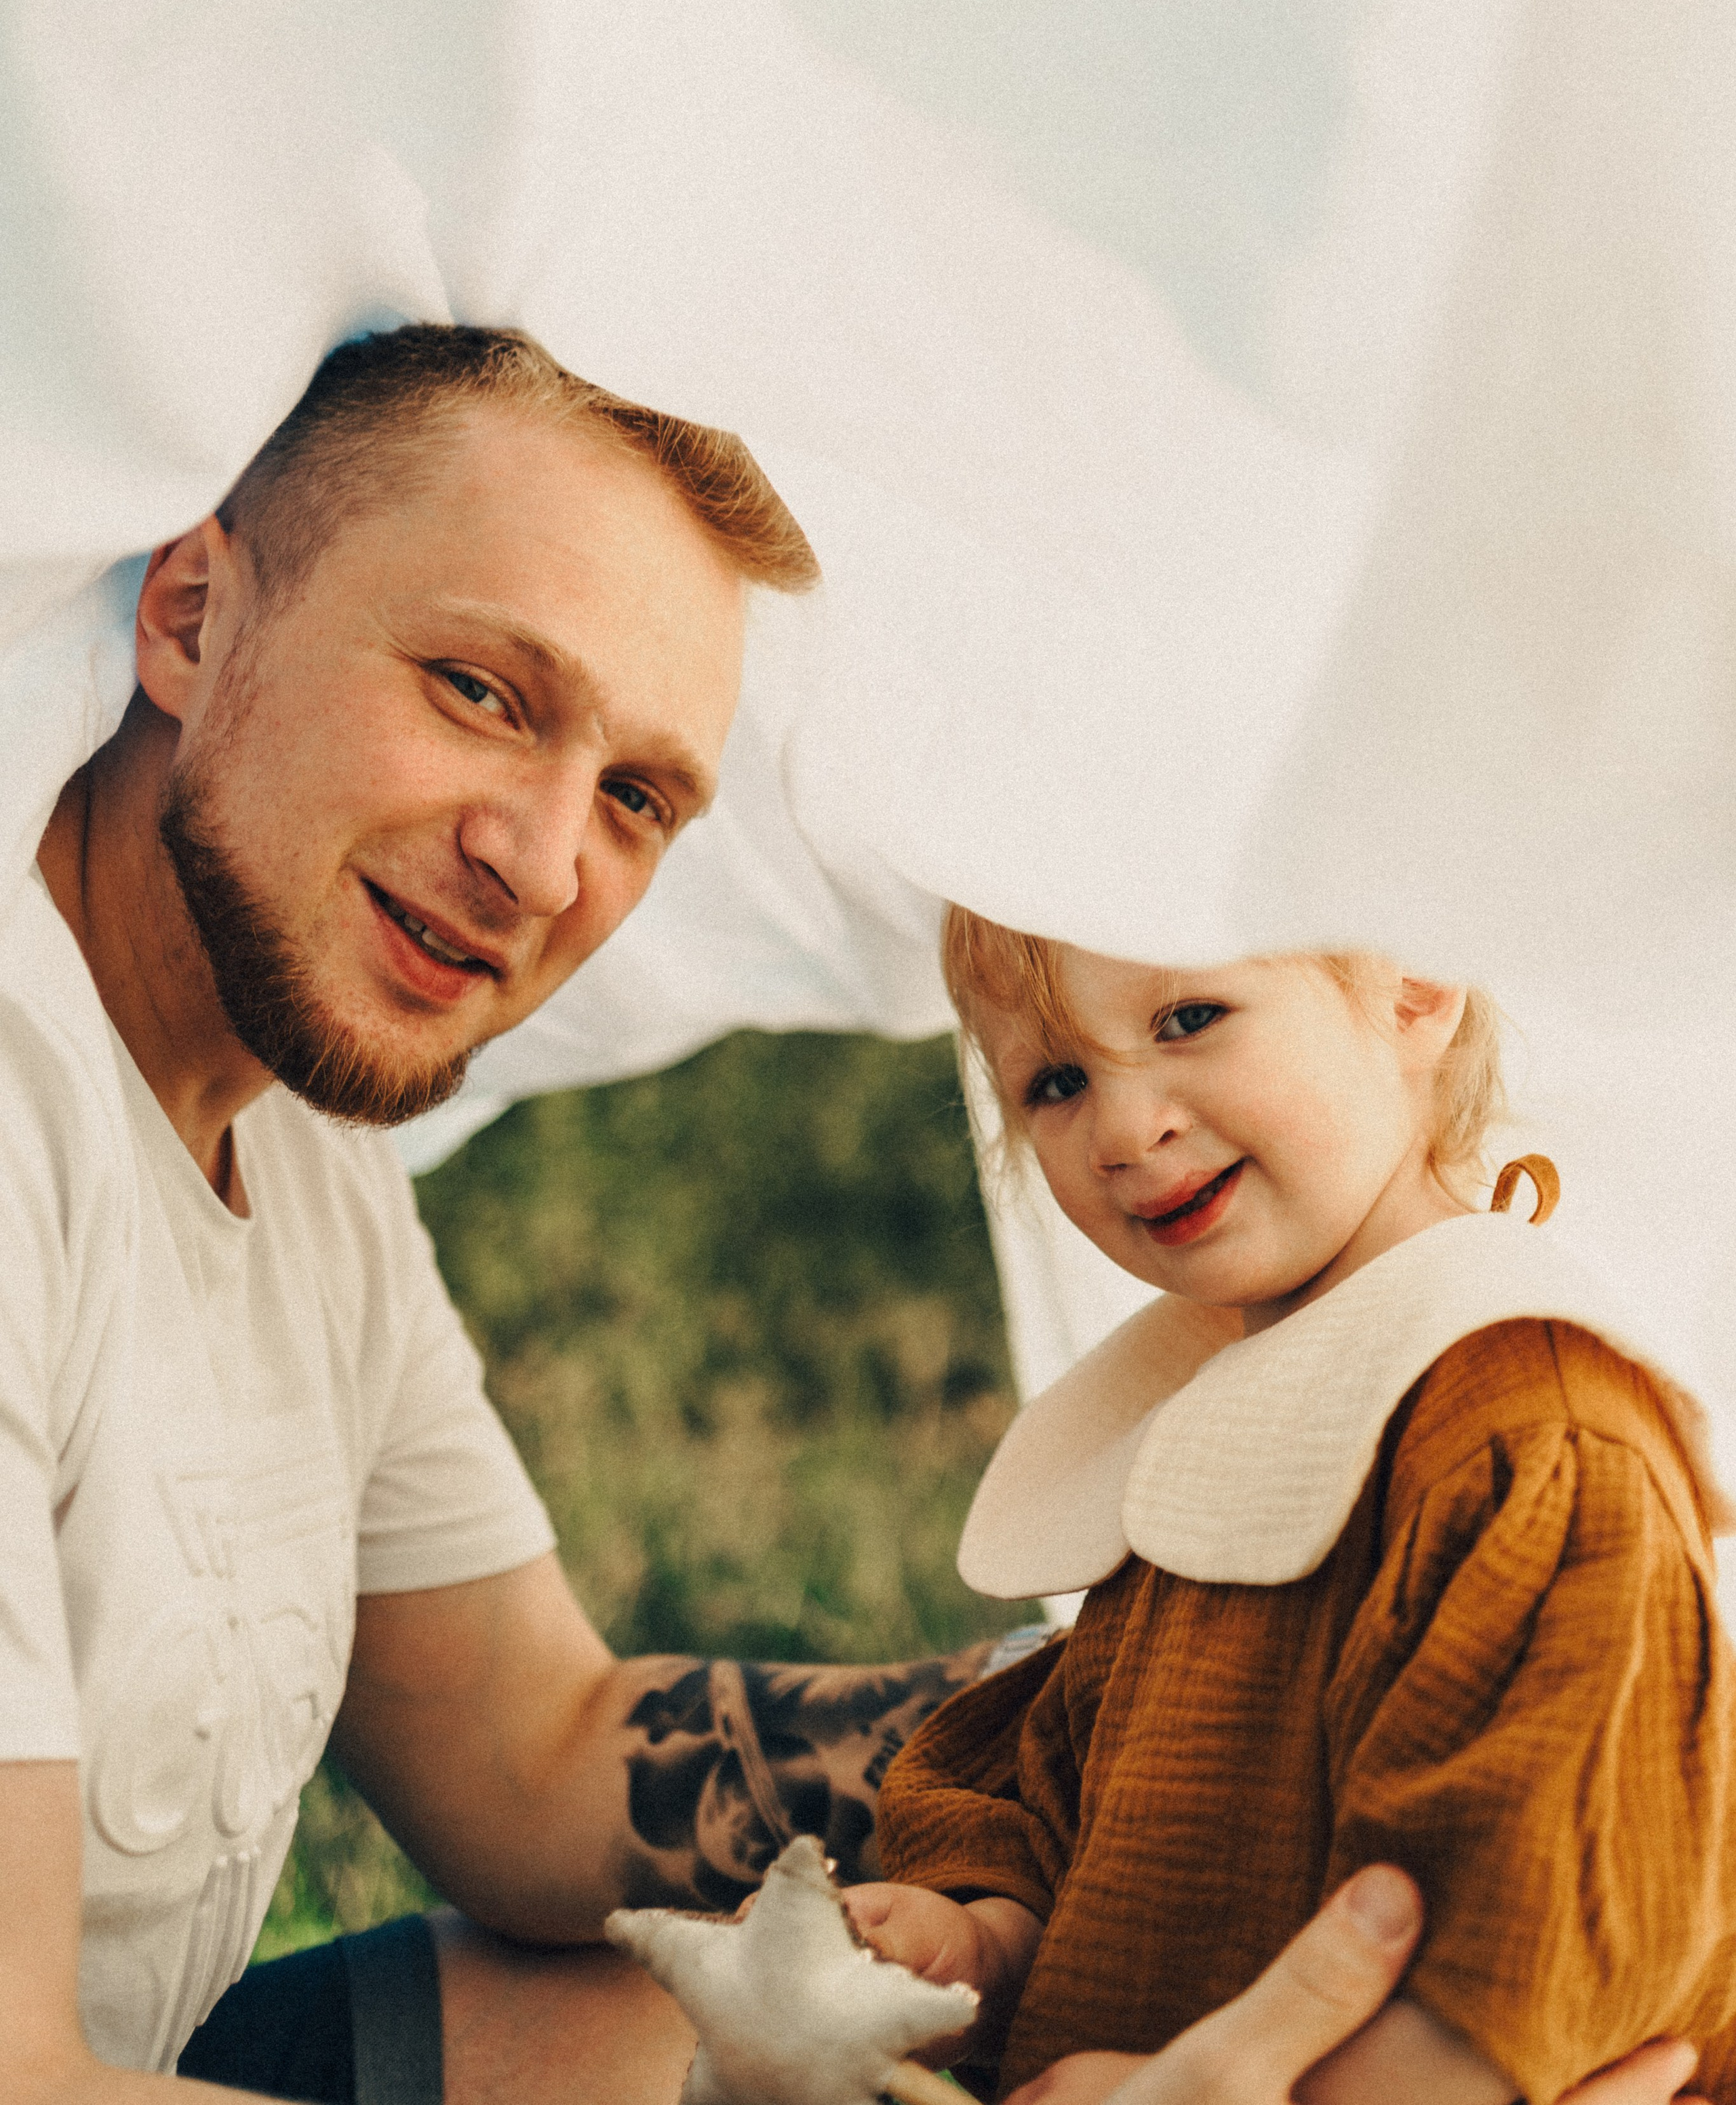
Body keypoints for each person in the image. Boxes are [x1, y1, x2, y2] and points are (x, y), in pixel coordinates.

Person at [0, 319, 1704, 2105]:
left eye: (639, 795)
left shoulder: (303, 1143)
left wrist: (1191, 1701)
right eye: (481, 691)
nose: (546, 857)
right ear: (189, 616)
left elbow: (533, 1757)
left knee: (769, 2026)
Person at [854, 916, 1736, 2103]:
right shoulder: (1218, 1424)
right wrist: (982, 1946)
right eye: (1056, 1084)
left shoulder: (1527, 1439)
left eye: (1187, 1020)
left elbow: (1540, 1950)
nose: (1124, 1129)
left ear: (1415, 989)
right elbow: (1092, 1805)